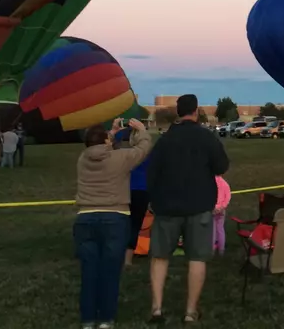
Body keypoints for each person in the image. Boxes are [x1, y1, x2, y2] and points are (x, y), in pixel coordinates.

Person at [147, 94, 230, 324]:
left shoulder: (165, 140)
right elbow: (222, 165)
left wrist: (154, 200)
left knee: (160, 256)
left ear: (178, 112)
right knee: (197, 258)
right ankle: (190, 311)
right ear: (196, 111)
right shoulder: (207, 137)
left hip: (166, 207)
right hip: (199, 206)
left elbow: (151, 173)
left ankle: (156, 308)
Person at [74, 117, 150, 329]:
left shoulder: (82, 159)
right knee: (110, 271)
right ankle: (106, 319)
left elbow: (96, 146)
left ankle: (88, 319)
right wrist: (142, 130)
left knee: (89, 271)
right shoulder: (120, 158)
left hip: (85, 219)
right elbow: (143, 149)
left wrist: (111, 132)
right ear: (106, 142)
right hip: (115, 219)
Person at [114, 127, 149, 268]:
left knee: (121, 224)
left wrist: (116, 131)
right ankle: (128, 260)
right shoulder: (146, 155)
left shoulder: (122, 155)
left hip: (124, 191)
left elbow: (111, 146)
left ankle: (117, 255)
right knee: (135, 225)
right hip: (142, 192)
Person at [213, 175, 232, 256]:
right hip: (222, 210)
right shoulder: (225, 183)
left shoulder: (211, 183)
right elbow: (228, 197)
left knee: (212, 230)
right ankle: (221, 250)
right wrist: (222, 206)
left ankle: (212, 250)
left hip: (212, 210)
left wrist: (214, 207)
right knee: (220, 229)